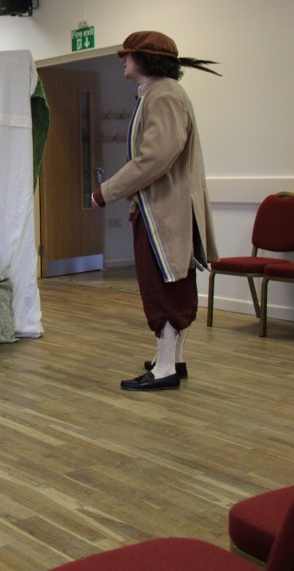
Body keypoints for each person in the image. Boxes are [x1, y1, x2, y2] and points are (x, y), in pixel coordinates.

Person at [91, 31, 220, 391]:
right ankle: (172, 360)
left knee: (163, 287)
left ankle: (165, 370)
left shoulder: (163, 94)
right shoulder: (159, 93)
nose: (122, 59)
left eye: (128, 54)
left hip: (164, 210)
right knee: (171, 284)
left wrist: (107, 191)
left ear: (147, 59)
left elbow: (155, 157)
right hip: (162, 207)